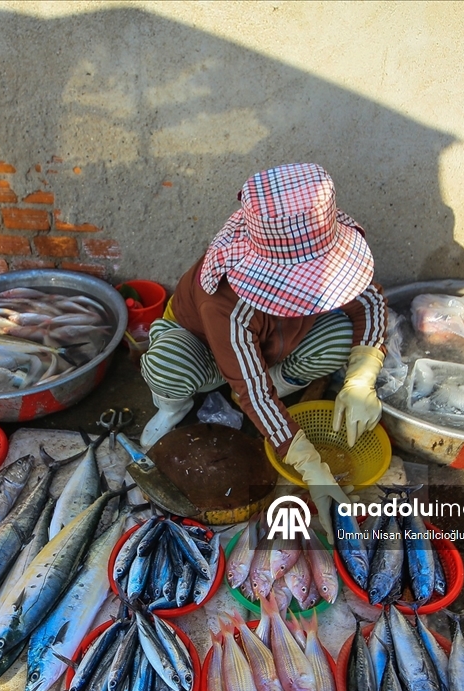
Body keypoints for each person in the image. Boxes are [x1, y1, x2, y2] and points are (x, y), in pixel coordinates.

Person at [138, 162, 387, 532]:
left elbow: (370, 301)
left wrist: (362, 379)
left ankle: (275, 387)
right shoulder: (224, 300)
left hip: (274, 350)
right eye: (303, 283)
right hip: (207, 351)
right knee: (169, 364)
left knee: (338, 338)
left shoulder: (319, 245)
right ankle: (174, 408)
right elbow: (253, 391)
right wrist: (308, 463)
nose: (315, 286)